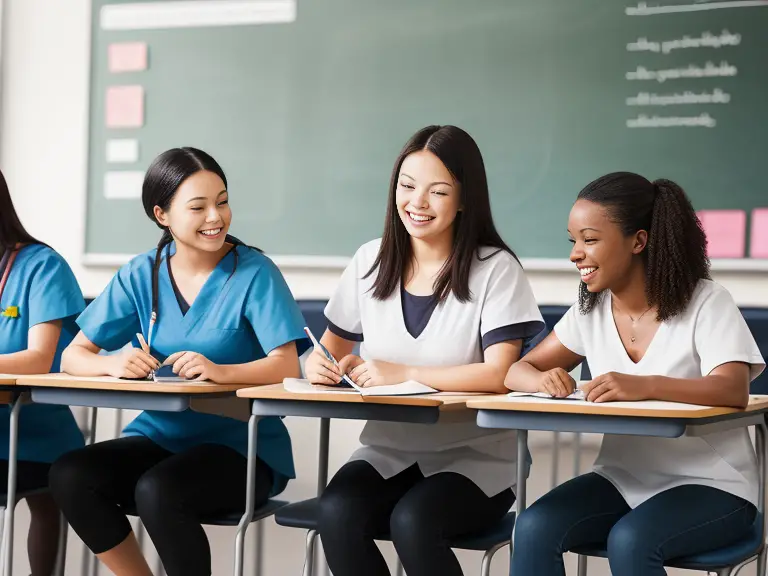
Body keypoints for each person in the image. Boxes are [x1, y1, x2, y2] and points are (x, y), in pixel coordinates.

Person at [49, 147, 309, 576]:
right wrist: (112, 363)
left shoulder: (255, 273)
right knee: (70, 474)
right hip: (160, 437)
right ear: (162, 214)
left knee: (159, 490)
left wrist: (221, 372)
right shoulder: (141, 273)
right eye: (199, 206)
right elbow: (74, 356)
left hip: (241, 448)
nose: (216, 216)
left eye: (222, 202)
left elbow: (286, 366)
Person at [306, 125, 544, 576]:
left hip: (477, 462)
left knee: (413, 522)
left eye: (437, 191)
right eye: (407, 186)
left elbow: (499, 374)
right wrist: (318, 364)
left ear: (464, 199)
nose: (417, 203)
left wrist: (402, 373)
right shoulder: (368, 261)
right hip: (388, 452)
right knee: (335, 513)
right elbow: (329, 350)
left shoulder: (495, 268)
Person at [506, 172, 764, 575]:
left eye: (589, 240)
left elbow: (732, 389)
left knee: (630, 541)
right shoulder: (589, 312)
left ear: (638, 241)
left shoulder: (707, 302)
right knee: (534, 527)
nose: (575, 253)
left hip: (715, 486)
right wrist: (540, 379)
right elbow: (516, 371)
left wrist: (644, 386)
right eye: (572, 240)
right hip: (623, 479)